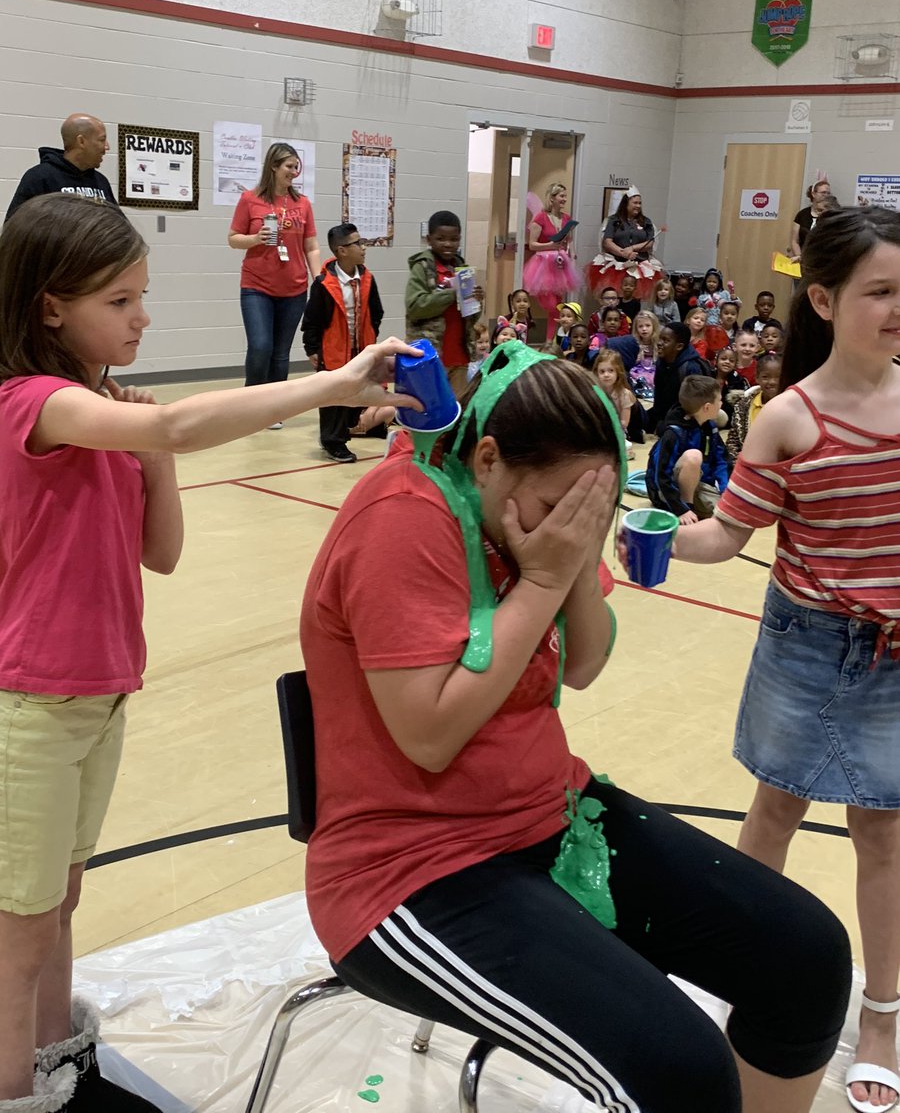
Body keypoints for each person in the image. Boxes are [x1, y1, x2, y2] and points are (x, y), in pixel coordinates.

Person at [301, 341, 851, 1113]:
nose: (568, 523)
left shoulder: (546, 524)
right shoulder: (405, 514)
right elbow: (429, 734)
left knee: (808, 958)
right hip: (408, 875)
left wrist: (575, 556)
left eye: (587, 506)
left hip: (546, 820)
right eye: (559, 503)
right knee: (679, 1070)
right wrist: (549, 579)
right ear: (486, 459)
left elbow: (584, 662)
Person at [0, 194, 420, 1113]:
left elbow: (163, 552)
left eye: (141, 295)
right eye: (121, 300)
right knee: (19, 930)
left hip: (96, 694)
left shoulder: (104, 410)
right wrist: (333, 382)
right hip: (28, 704)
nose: (142, 317)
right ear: (49, 308)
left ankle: (51, 1060)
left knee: (59, 902)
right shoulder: (35, 403)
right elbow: (179, 426)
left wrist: (150, 459)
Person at [672, 205, 900, 1113]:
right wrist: (659, 539)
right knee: (772, 812)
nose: (896, 309)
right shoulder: (786, 419)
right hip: (803, 648)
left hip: (889, 661)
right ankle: (746, 976)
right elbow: (730, 536)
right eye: (880, 291)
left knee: (882, 833)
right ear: (825, 297)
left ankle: (881, 1016)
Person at [227, 142, 320, 417]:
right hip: (257, 286)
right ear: (274, 167)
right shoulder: (249, 199)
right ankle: (250, 406)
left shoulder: (302, 204)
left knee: (280, 353)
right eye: (289, 167)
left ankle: (274, 411)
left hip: (294, 288)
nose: (294, 172)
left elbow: (311, 246)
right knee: (260, 346)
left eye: (296, 167)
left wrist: (319, 280)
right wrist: (255, 239)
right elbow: (232, 238)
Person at [302, 223, 385, 464]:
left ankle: (349, 428)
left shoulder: (367, 279)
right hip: (333, 349)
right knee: (333, 398)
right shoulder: (324, 283)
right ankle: (332, 442)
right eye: (357, 243)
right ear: (342, 251)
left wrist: (370, 335)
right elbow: (312, 319)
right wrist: (312, 348)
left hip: (361, 348)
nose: (363, 247)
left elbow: (376, 312)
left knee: (356, 395)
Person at [405, 209, 484, 396]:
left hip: (460, 355)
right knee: (431, 407)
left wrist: (476, 300)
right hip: (430, 355)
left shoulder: (462, 267)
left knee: (459, 409)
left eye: (454, 239)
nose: (448, 244)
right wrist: (452, 293)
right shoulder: (422, 267)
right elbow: (415, 307)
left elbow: (469, 316)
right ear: (429, 239)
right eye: (441, 239)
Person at [646, 375, 730, 523]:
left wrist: (725, 490)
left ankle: (691, 507)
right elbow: (661, 476)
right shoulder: (673, 433)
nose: (722, 403)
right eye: (719, 400)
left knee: (726, 512)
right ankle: (687, 508)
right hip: (665, 490)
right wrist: (681, 509)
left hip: (696, 483)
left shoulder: (710, 428)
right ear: (707, 407)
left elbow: (722, 460)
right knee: (694, 456)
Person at [5, 114, 117, 223]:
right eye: (102, 140)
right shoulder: (40, 177)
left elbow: (120, 229)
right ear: (81, 141)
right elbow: (13, 229)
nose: (107, 147)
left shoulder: (101, 182)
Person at [587, 186, 663, 301]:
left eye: (640, 203)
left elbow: (649, 243)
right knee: (617, 298)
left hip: (639, 265)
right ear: (626, 203)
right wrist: (623, 253)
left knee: (634, 301)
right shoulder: (614, 220)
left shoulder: (646, 221)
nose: (638, 206)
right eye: (635, 203)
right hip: (617, 265)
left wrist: (632, 248)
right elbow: (607, 242)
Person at [523, 184, 580, 335]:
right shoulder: (541, 217)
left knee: (559, 306)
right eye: (561, 196)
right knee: (552, 306)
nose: (564, 199)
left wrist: (572, 253)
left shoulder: (566, 218)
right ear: (553, 198)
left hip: (560, 265)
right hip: (543, 265)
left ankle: (552, 340)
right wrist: (550, 245)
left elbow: (569, 240)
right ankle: (551, 339)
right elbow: (532, 244)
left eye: (565, 196)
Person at [648, 322, 707, 434]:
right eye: (660, 338)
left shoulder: (691, 368)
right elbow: (659, 395)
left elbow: (694, 406)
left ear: (679, 346)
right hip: (667, 411)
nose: (659, 343)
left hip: (686, 415)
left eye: (665, 341)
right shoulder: (662, 361)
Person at [724, 352, 782, 463]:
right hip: (747, 465)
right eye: (765, 377)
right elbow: (733, 440)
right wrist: (738, 462)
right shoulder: (744, 406)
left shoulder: (792, 406)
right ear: (757, 378)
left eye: (777, 377)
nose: (772, 382)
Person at [593, 349, 635, 458]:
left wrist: (611, 424)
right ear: (596, 373)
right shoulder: (594, 392)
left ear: (618, 372)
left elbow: (624, 422)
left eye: (611, 371)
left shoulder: (624, 394)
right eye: (602, 372)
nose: (606, 375)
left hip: (616, 430)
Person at [789, 177, 833, 263]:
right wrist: (800, 257)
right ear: (813, 194)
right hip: (803, 261)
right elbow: (795, 240)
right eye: (823, 193)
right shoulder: (802, 214)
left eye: (828, 193)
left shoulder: (832, 215)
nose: (826, 196)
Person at [715, 345, 750, 428]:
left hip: (729, 421)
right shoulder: (707, 375)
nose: (727, 362)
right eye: (723, 359)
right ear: (716, 361)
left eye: (731, 361)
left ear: (735, 365)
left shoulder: (739, 381)